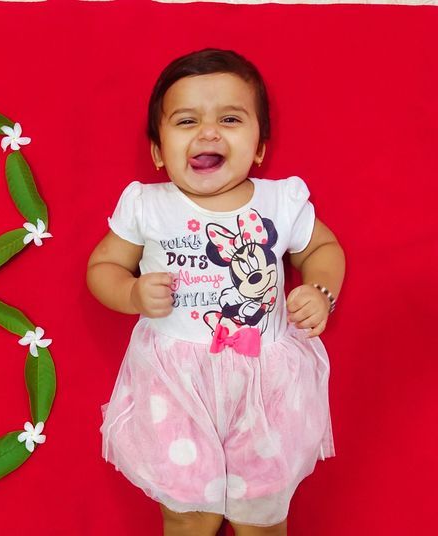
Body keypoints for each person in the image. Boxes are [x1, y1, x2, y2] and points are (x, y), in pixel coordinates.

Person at [86, 49, 345, 536]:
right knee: (187, 511)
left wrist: (320, 288)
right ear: (159, 151)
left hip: (266, 381)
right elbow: (102, 266)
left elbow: (324, 247)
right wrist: (132, 293)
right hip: (174, 381)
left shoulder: (280, 201)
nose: (208, 132)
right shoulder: (147, 205)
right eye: (186, 120)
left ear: (259, 146)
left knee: (263, 512)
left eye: (229, 118)